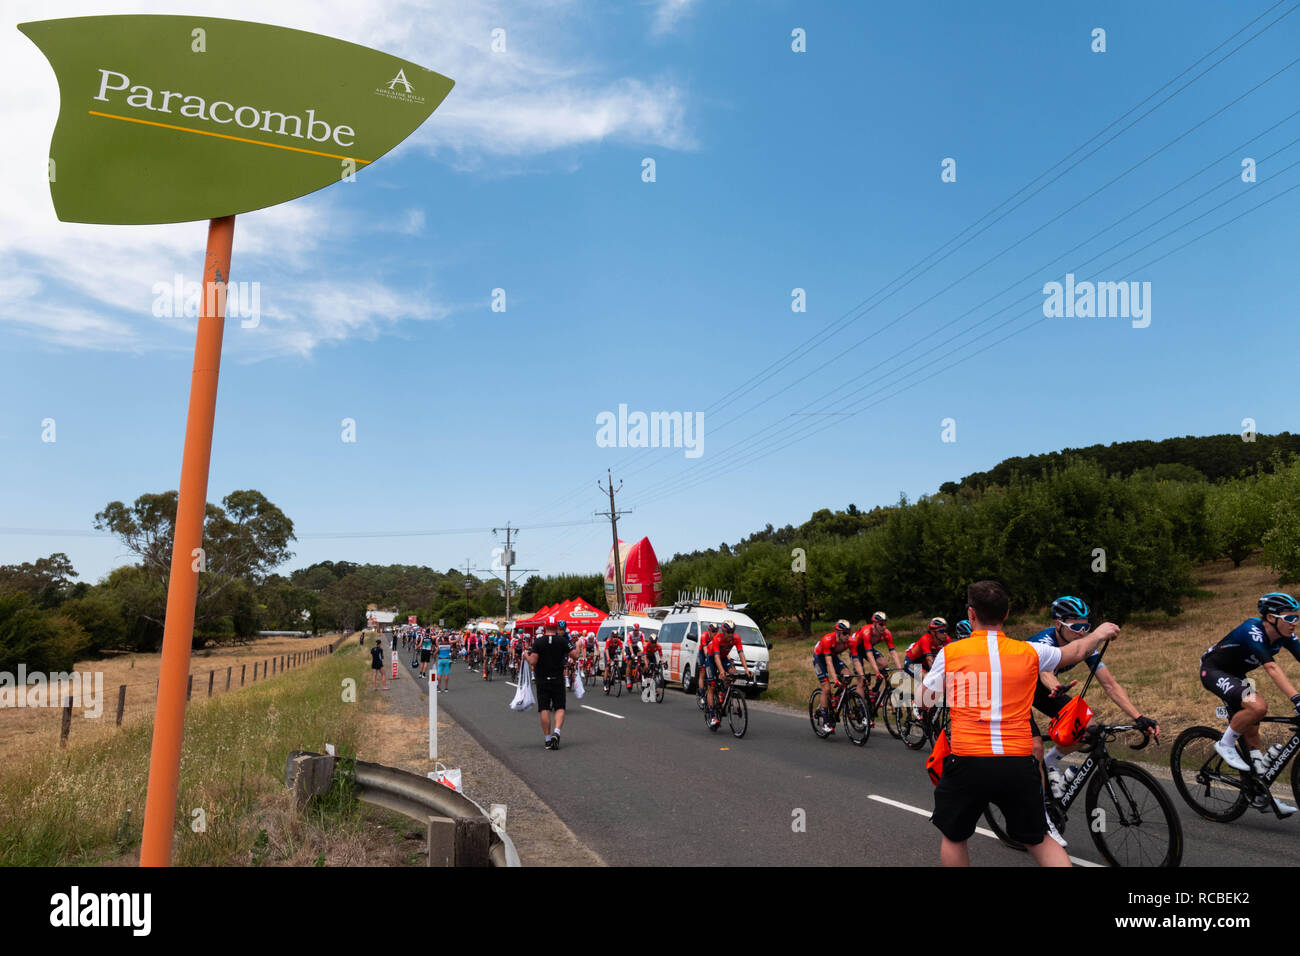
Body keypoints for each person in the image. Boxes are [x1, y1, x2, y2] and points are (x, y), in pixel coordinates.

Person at [923, 581, 1114, 867]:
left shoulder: (950, 654)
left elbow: (924, 700)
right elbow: (1075, 652)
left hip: (968, 761)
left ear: (971, 614)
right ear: (1007, 613)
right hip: (1017, 761)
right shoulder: (1030, 651)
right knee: (1038, 839)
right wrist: (1098, 632)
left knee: (954, 837)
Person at [1028, 596, 1149, 841]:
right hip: (1019, 690)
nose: (1082, 632)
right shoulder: (1045, 640)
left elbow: (1110, 684)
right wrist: (1055, 684)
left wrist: (1140, 717)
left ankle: (1052, 761)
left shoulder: (1084, 644)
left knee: (1090, 730)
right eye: (1076, 627)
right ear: (1058, 624)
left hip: (1050, 691)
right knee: (1035, 747)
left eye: (1086, 626)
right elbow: (1044, 671)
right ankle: (1041, 819)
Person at [1201, 592, 1300, 814]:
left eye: (1297, 617)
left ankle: (1260, 791)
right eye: (1290, 618)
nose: (1295, 623)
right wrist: (1296, 698)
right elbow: (1272, 668)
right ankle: (1225, 744)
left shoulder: (1285, 635)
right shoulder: (1252, 631)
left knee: (1253, 725)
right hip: (1214, 671)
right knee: (1258, 706)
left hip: (1236, 675)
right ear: (1271, 618)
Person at [526, 618, 580, 749]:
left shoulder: (538, 642)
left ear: (545, 628)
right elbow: (575, 655)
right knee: (560, 707)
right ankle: (557, 732)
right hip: (557, 678)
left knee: (544, 708)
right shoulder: (563, 641)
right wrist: (577, 644)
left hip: (542, 679)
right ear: (556, 627)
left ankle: (547, 739)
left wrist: (525, 656)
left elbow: (533, 661)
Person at [812, 620, 853, 733]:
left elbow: (856, 660)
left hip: (833, 657)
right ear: (838, 632)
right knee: (826, 687)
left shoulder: (850, 641)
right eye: (844, 633)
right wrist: (835, 679)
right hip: (819, 658)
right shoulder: (828, 639)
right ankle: (825, 722)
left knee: (848, 676)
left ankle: (835, 698)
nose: (847, 636)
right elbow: (828, 663)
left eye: (848, 633)